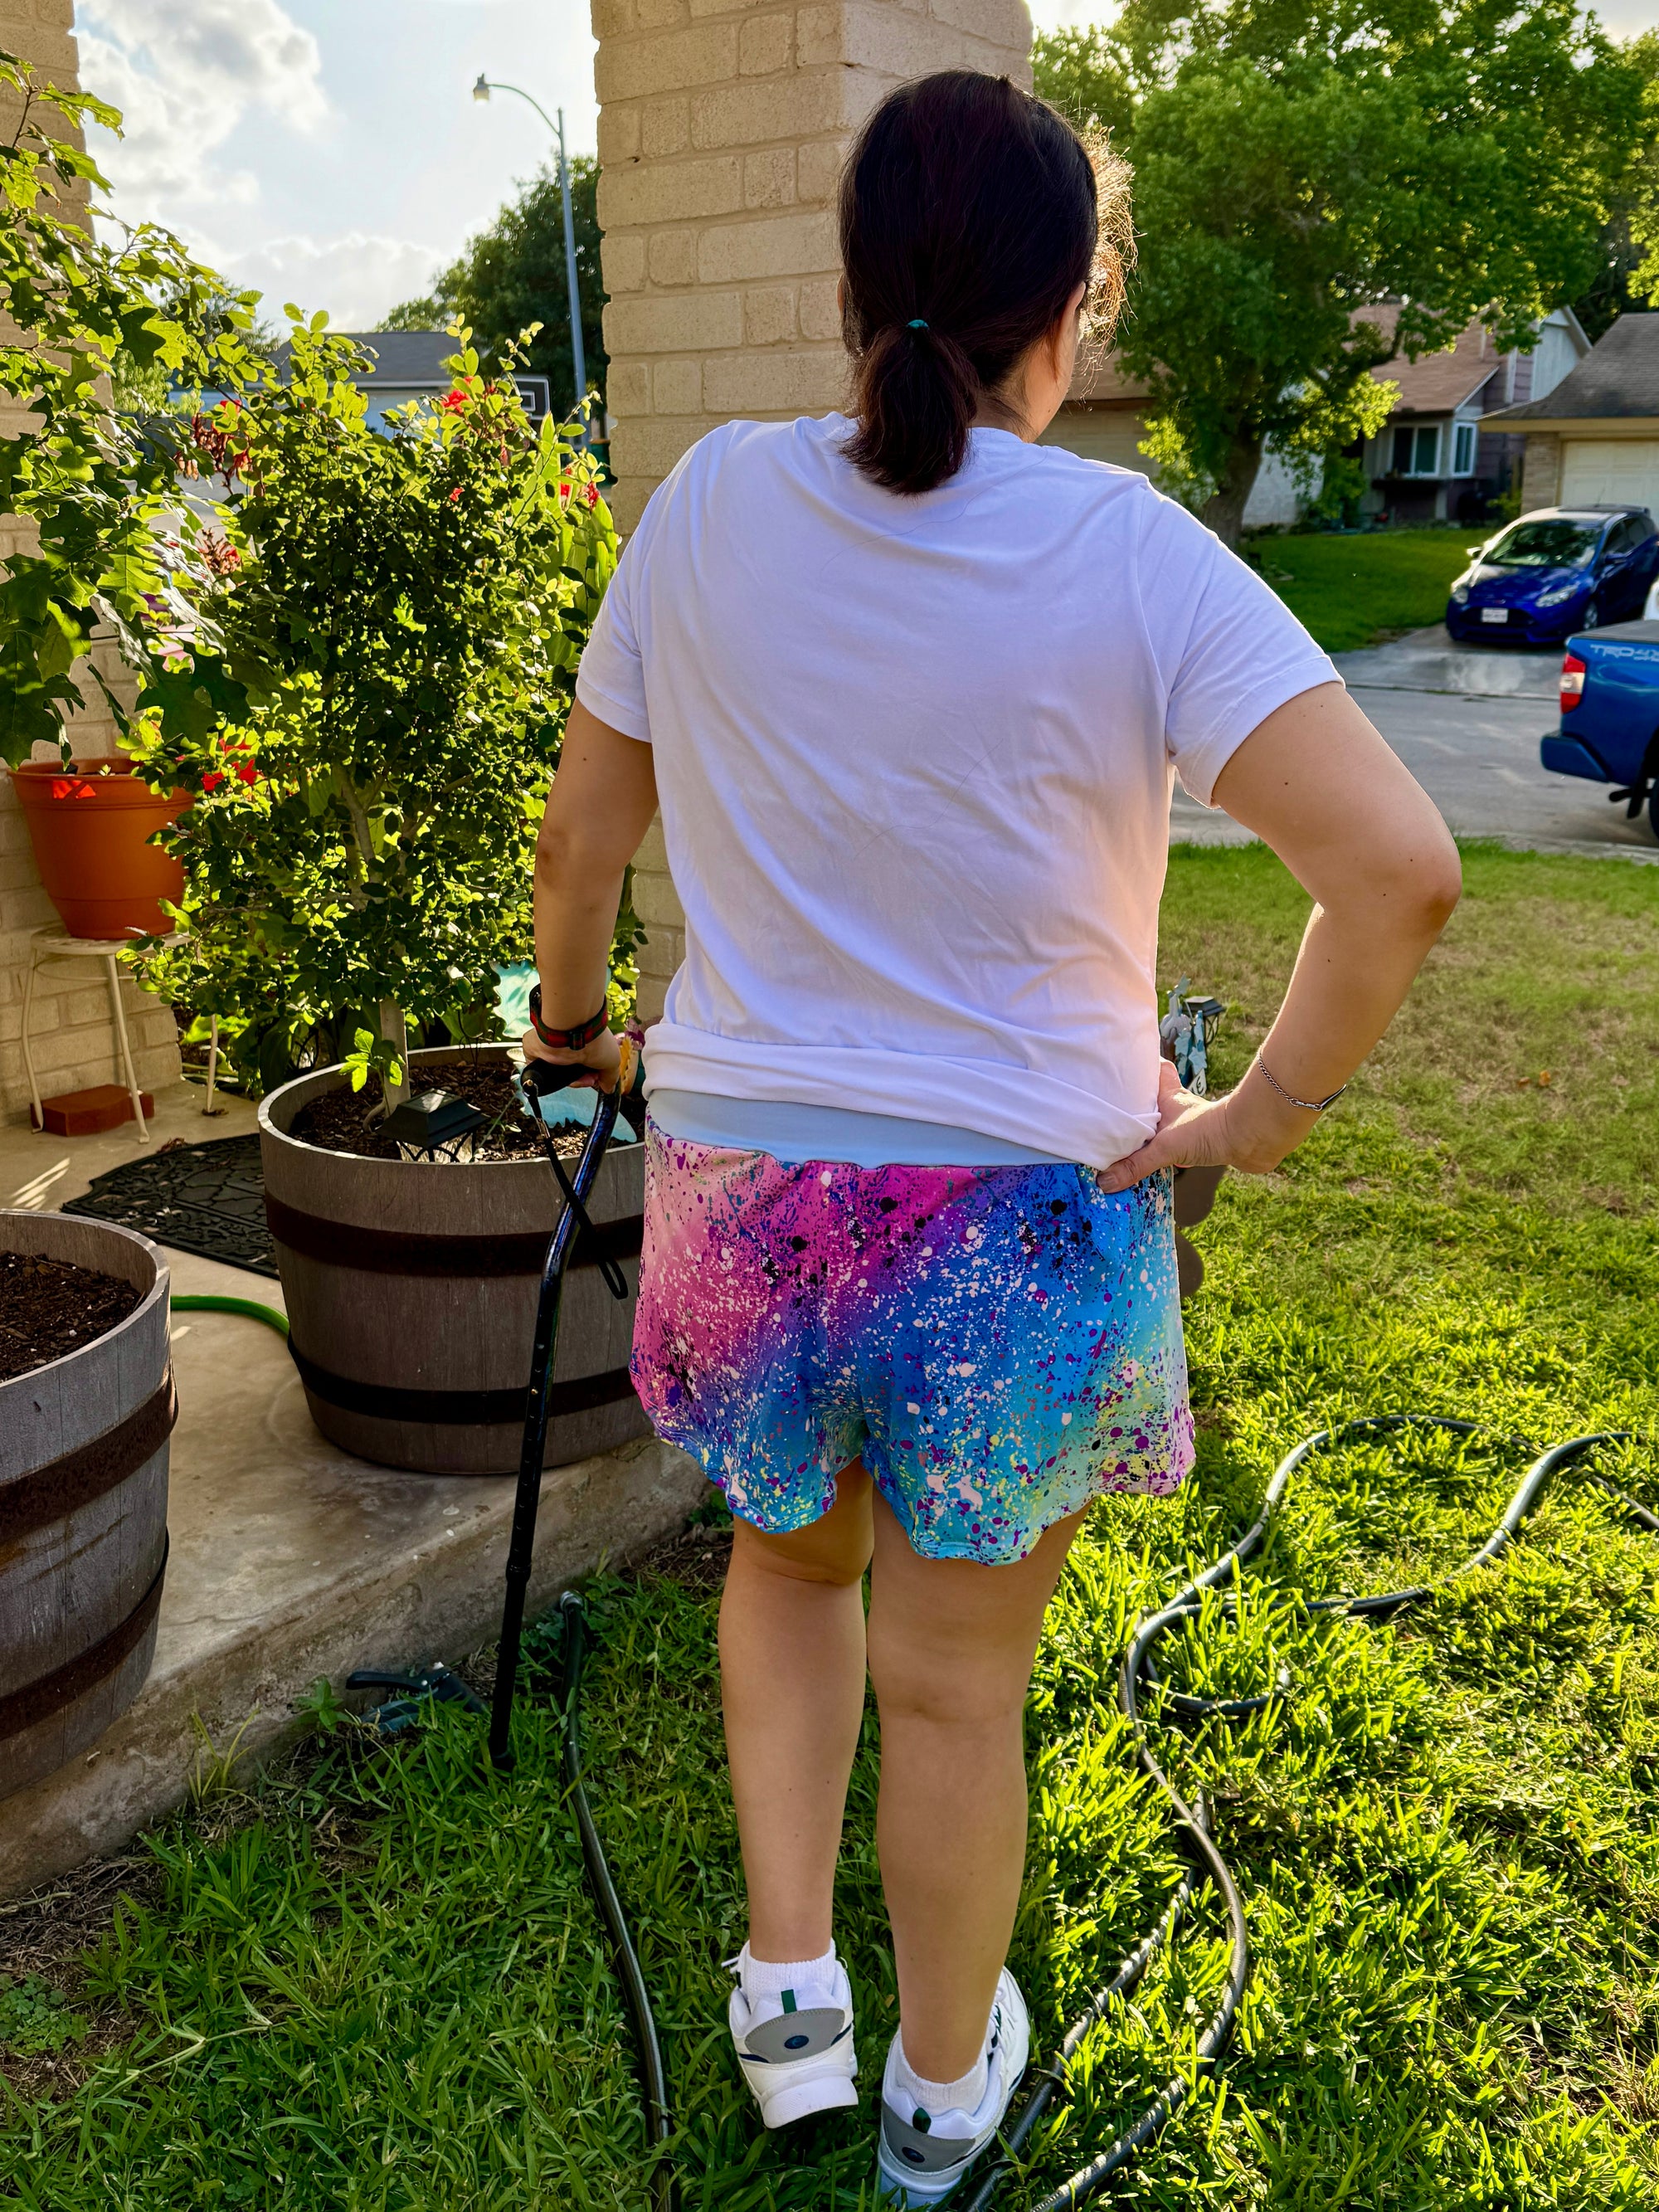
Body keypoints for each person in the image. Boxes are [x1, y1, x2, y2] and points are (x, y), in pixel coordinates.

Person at [521, 69, 1461, 2208]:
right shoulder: (1131, 553)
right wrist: (1257, 1117)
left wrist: (574, 1037)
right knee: (956, 1687)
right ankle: (940, 2102)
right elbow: (1399, 872)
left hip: (748, 1193)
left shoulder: (707, 503)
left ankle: (788, 2010)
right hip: (1021, 1225)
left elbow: (581, 848)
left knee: (785, 1576)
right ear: (1072, 313)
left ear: (853, 290)